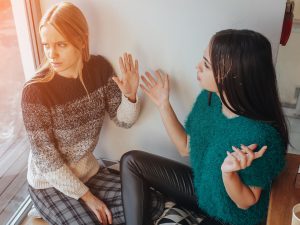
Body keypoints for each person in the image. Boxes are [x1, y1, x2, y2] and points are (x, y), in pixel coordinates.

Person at [121, 29, 289, 225]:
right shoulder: (210, 100)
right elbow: (185, 147)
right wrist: (163, 104)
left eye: (206, 65)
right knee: (132, 162)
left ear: (232, 75)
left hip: (230, 217)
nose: (198, 66)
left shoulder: (259, 134)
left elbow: (247, 202)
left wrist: (228, 174)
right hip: (204, 190)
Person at [21, 2, 143, 225]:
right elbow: (48, 162)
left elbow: (124, 121)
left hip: (88, 172)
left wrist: (130, 96)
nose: (52, 54)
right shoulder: (34, 92)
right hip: (49, 182)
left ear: (81, 39)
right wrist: (88, 198)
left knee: (146, 203)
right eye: (46, 45)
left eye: (61, 44)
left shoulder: (99, 69)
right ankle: (43, 209)